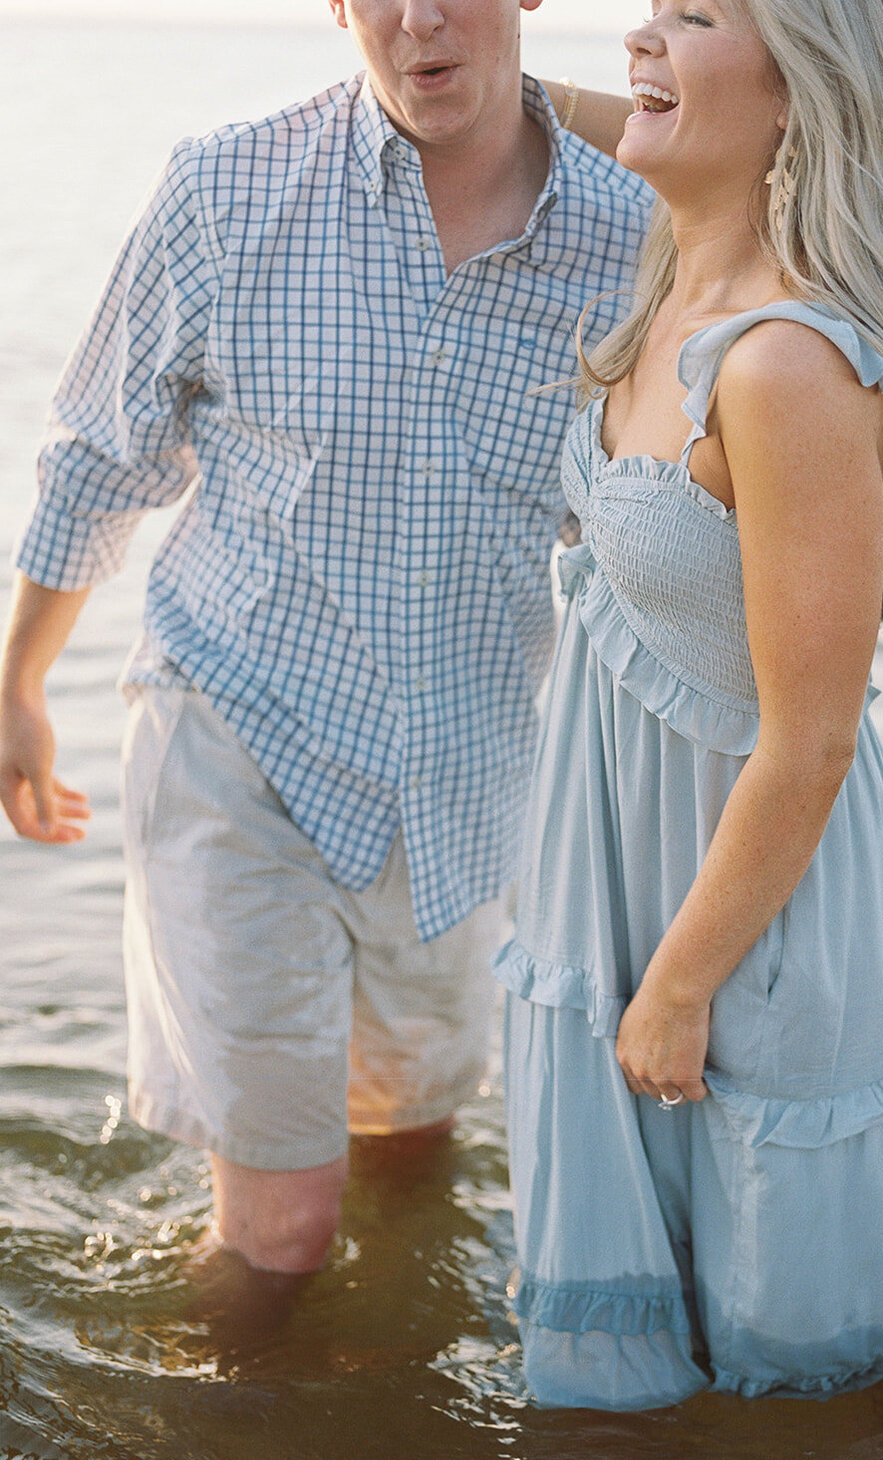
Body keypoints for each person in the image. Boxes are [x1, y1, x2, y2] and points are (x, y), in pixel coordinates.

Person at [0, 0, 649, 1286]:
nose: (418, 21)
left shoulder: (637, 234)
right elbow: (100, 455)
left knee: (413, 1165)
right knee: (285, 1231)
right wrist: (17, 679)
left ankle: (389, 1455)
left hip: (465, 792)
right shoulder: (228, 189)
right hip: (237, 745)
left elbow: (831, 163)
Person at [494, 0, 883, 1409]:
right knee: (632, 1398)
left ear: (800, 94)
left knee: (809, 1424)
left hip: (749, 925)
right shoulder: (676, 274)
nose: (641, 42)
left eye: (694, 16)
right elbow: (551, 106)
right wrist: (461, 59)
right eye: (647, 12)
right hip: (627, 886)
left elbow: (813, 737)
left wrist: (677, 985)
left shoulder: (785, 365)